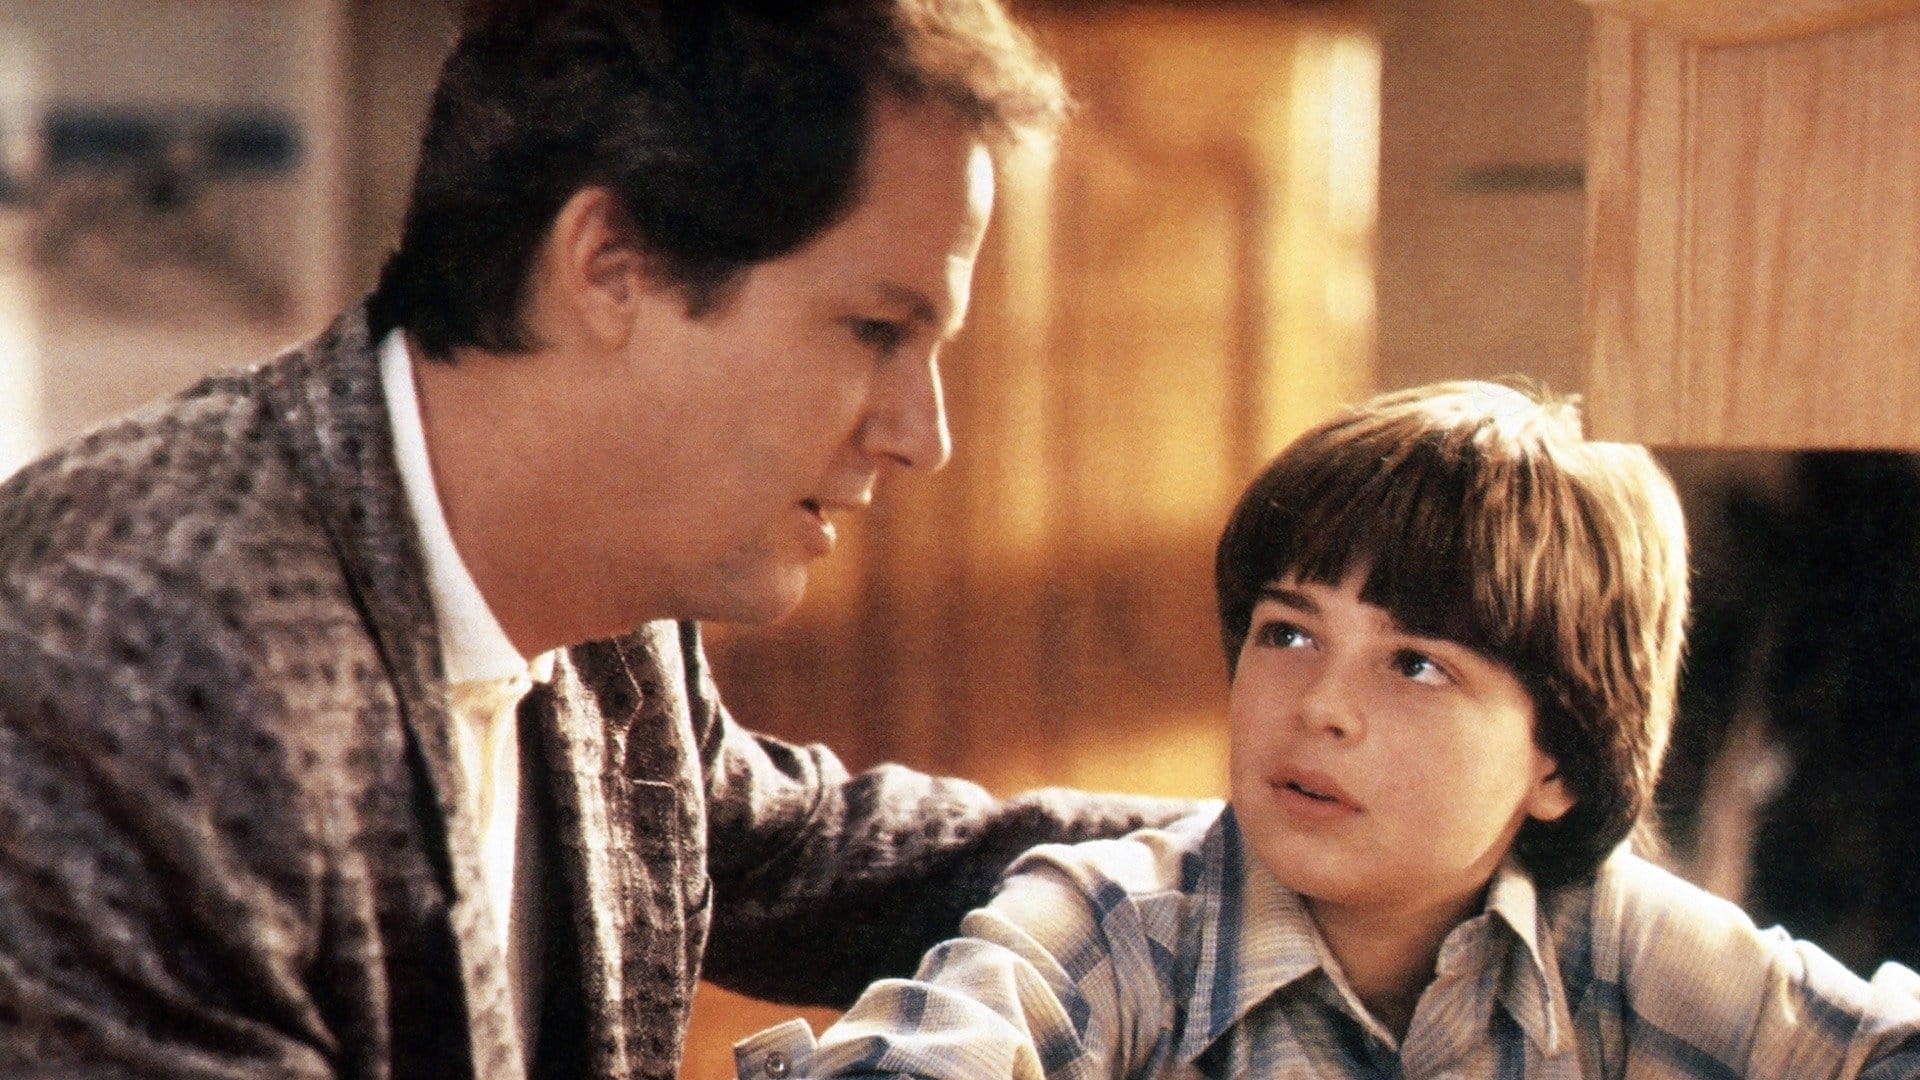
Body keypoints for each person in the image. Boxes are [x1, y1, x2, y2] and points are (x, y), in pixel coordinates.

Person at [0, 3, 1197, 1078]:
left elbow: (814, 857)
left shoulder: (605, 602)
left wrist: (1274, 850)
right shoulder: (132, 646)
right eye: (878, 328)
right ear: (610, 266)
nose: (921, 436)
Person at [735, 381, 1920, 1079]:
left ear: (1558, 762)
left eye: (1416, 664)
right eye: (1287, 633)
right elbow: (937, 1050)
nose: (1320, 705)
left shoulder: (1615, 940)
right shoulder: (1115, 922)